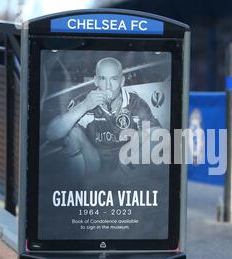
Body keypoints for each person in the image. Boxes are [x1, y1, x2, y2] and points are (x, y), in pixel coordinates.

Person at [46, 57, 161, 186]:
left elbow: (158, 135)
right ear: (95, 81)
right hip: (92, 164)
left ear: (122, 81)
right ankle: (77, 187)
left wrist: (136, 155)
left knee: (150, 133)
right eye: (102, 79)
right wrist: (85, 106)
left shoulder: (135, 103)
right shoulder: (83, 101)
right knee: (72, 133)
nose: (108, 86)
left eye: (113, 79)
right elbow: (52, 134)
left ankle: (132, 182)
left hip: (126, 166)